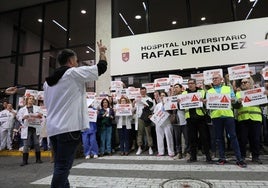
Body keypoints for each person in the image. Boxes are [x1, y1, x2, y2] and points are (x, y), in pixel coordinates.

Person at [43, 40, 108, 188]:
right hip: (68, 127)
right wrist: (102, 52)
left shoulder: (47, 83)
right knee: (63, 167)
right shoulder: (72, 73)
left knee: (60, 166)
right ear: (71, 61)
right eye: (76, 60)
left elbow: (47, 105)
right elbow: (101, 68)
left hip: (53, 129)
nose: (77, 63)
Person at [206, 73, 247, 168]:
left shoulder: (228, 89)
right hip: (216, 117)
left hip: (228, 116)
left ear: (221, 79)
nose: (214, 80)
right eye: (213, 79)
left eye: (216, 78)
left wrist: (236, 100)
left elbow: (234, 99)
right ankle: (222, 158)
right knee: (219, 138)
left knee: (233, 137)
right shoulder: (209, 91)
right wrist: (205, 102)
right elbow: (208, 106)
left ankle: (239, 159)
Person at [182, 79, 212, 163]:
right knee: (192, 139)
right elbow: (180, 107)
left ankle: (208, 157)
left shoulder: (202, 92)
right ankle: (193, 157)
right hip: (190, 119)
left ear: (195, 84)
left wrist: (204, 101)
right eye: (189, 83)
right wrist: (178, 103)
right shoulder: (184, 93)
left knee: (204, 138)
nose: (190, 85)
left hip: (201, 118)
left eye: (192, 83)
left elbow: (208, 104)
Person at [235, 78, 263, 164]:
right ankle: (242, 156)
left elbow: (264, 103)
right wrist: (238, 102)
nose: (243, 84)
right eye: (242, 82)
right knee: (242, 139)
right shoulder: (238, 93)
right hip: (243, 118)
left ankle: (255, 157)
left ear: (250, 83)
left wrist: (266, 96)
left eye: (245, 82)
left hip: (255, 118)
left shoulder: (257, 92)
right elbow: (235, 106)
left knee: (255, 139)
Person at [17, 95, 43, 166]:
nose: (31, 100)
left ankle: (38, 159)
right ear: (27, 100)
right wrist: (23, 117)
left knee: (36, 143)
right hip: (26, 127)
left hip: (35, 127)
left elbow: (41, 115)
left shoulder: (37, 108)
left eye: (32, 99)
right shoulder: (22, 109)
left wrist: (40, 115)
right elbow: (18, 117)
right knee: (26, 144)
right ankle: (25, 161)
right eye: (30, 99)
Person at [154, 91, 175, 157]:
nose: (162, 96)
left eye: (164, 95)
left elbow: (171, 113)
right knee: (159, 137)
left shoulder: (169, 103)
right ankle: (161, 152)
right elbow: (155, 113)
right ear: (160, 97)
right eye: (161, 95)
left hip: (167, 122)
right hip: (159, 123)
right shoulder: (158, 105)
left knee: (169, 137)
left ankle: (171, 152)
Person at [135, 87, 154, 155]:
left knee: (148, 133)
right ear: (140, 92)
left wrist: (147, 106)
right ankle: (139, 147)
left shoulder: (149, 99)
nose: (142, 92)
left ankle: (150, 147)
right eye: (141, 91)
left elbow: (152, 108)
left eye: (144, 91)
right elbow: (134, 108)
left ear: (146, 92)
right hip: (140, 117)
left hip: (146, 118)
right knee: (140, 133)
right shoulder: (137, 99)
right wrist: (133, 103)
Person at [172, 83, 189, 159]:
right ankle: (179, 153)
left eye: (177, 87)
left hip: (185, 120)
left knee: (187, 138)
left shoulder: (185, 96)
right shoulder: (172, 98)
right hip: (176, 121)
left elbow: (184, 107)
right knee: (177, 138)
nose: (175, 89)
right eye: (174, 87)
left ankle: (187, 152)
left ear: (181, 88)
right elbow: (169, 110)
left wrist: (179, 103)